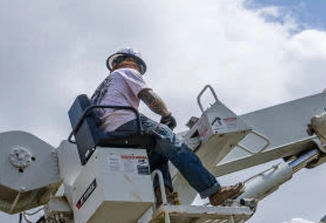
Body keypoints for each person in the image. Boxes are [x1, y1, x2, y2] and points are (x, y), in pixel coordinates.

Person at [90, 47, 244, 205]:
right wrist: (167, 116)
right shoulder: (127, 72)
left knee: (159, 154)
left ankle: (164, 198)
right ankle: (214, 191)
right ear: (131, 61)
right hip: (124, 121)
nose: (137, 69)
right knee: (176, 145)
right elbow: (149, 97)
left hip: (109, 135)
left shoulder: (100, 89)